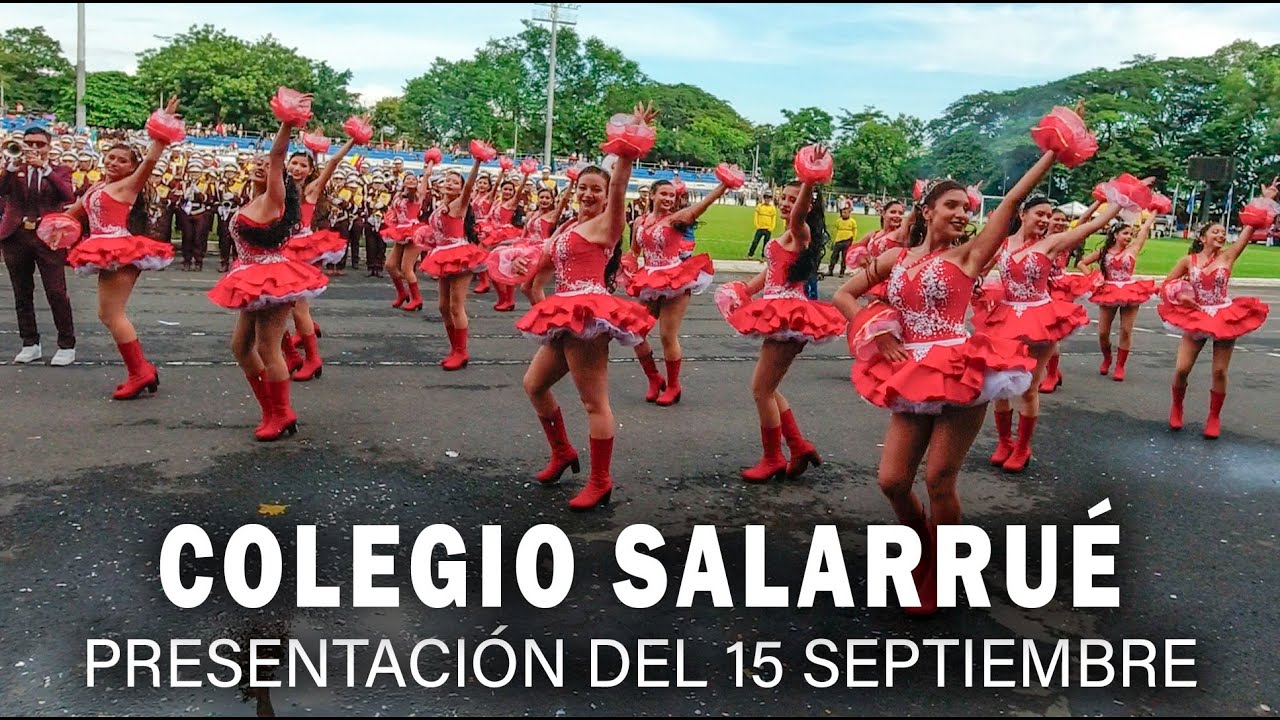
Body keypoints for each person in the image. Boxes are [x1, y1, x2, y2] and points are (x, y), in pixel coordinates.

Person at [832, 141, 1070, 615]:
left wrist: (1051, 156)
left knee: (940, 479)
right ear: (927, 210)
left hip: (959, 371)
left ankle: (937, 573)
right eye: (952, 205)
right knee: (893, 481)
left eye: (967, 207)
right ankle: (922, 548)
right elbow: (843, 293)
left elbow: (1009, 205)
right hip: (908, 373)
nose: (963, 213)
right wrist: (877, 331)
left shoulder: (968, 256)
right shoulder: (896, 259)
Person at [514, 103, 659, 511]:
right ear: (575, 190)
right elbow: (538, 271)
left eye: (597, 189)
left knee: (595, 402)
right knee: (534, 385)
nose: (590, 194)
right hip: (563, 316)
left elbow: (618, 189)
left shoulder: (607, 226)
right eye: (584, 188)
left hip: (589, 314)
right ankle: (562, 453)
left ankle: (600, 480)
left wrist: (628, 149)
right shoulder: (565, 228)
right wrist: (530, 287)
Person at [207, 100, 328, 442]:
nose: (262, 165)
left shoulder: (275, 199)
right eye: (256, 162)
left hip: (272, 279)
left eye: (268, 165)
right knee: (240, 348)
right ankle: (270, 410)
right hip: (249, 277)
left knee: (267, 348)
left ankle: (283, 412)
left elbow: (277, 157)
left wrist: (288, 124)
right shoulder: (251, 200)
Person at [726, 148, 846, 482]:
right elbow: (770, 273)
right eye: (785, 197)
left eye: (795, 199)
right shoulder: (783, 237)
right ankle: (798, 445)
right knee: (770, 387)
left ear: (807, 205)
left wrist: (810, 178)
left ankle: (773, 458)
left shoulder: (800, 231)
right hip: (775, 309)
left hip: (789, 316)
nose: (787, 203)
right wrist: (745, 292)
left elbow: (797, 216)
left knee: (761, 390)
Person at [62, 98, 182, 399]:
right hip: (102, 250)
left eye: (121, 160)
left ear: (131, 166)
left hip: (119, 250)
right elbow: (71, 213)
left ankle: (139, 372)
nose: (114, 162)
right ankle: (141, 369)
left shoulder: (128, 186)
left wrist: (163, 124)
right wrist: (50, 227)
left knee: (114, 315)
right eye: (111, 157)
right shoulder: (95, 187)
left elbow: (151, 159)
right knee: (107, 313)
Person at [1160, 179, 1277, 438]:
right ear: (1202, 237)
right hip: (1196, 316)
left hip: (1223, 314)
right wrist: (1182, 295)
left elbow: (1250, 227)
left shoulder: (1229, 256)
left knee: (1220, 370)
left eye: (1223, 232)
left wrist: (1265, 200)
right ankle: (1177, 406)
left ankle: (1214, 417)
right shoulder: (1187, 260)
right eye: (1215, 232)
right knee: (1181, 368)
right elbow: (1167, 284)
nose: (1221, 235)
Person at [0, 126, 78, 365]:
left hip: (48, 237)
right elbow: (1, 192)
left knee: (56, 291)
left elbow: (68, 196)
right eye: (29, 143)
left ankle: (66, 344)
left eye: (39, 144)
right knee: (22, 293)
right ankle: (30, 342)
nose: (33, 148)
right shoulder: (15, 170)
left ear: (48, 146)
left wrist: (44, 169)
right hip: (16, 236)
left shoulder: (60, 170)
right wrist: (10, 167)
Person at [828, 205, 858, 277]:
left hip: (847, 240)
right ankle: (830, 270)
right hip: (838, 240)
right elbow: (836, 230)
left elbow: (855, 231)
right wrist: (833, 240)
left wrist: (853, 240)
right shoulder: (838, 221)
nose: (843, 214)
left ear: (849, 213)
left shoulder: (852, 221)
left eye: (845, 212)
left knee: (844, 257)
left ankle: (842, 272)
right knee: (834, 256)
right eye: (842, 212)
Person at [747, 190, 777, 258]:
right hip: (760, 227)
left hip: (768, 228)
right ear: (764, 198)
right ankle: (750, 254)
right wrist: (757, 225)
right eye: (766, 197)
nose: (767, 199)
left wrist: (772, 227)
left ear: (770, 199)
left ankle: (763, 257)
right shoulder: (760, 206)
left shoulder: (772, 208)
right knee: (755, 242)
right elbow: (756, 216)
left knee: (766, 244)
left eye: (769, 197)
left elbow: (773, 218)